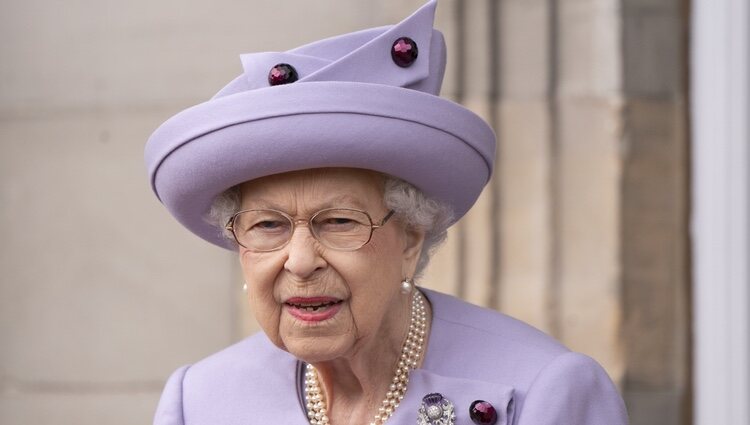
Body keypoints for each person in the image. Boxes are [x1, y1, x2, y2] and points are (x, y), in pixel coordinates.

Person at [145, 1, 628, 424]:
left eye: (339, 222)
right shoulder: (201, 400)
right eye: (267, 225)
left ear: (412, 238)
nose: (300, 260)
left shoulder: (543, 390)